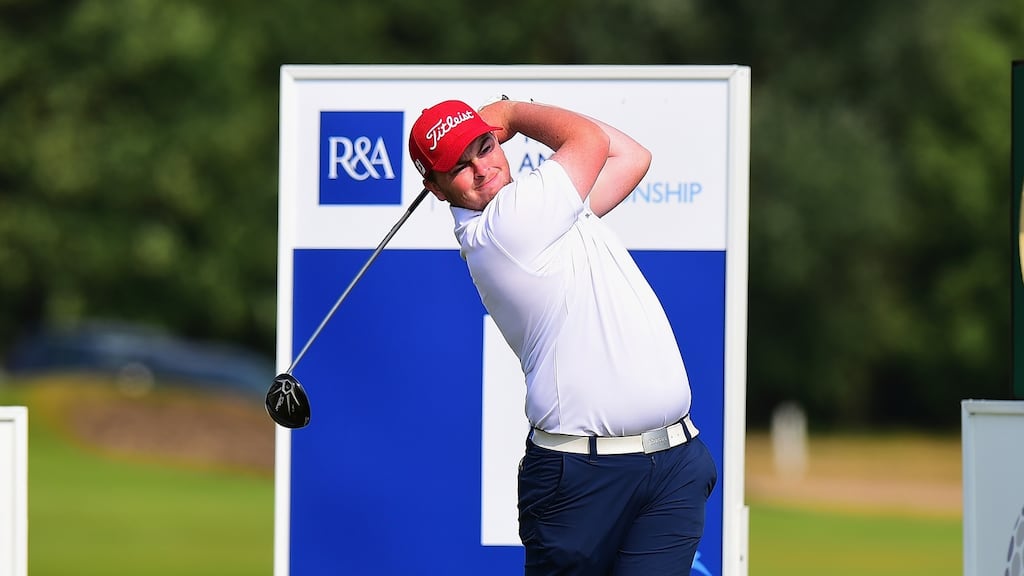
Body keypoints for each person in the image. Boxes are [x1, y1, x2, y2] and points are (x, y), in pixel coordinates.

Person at [408, 97, 717, 575]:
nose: (482, 169)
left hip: (672, 463)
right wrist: (511, 116)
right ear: (436, 187)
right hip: (582, 479)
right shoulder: (503, 228)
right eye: (459, 166)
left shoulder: (546, 215)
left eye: (485, 147)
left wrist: (503, 123)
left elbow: (632, 158)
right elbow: (590, 142)